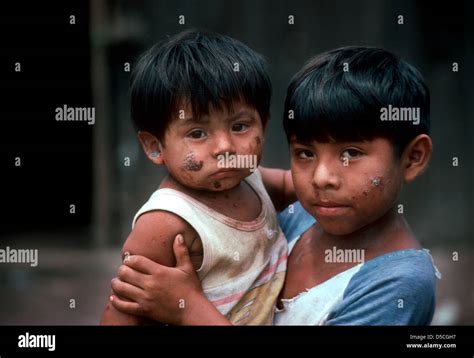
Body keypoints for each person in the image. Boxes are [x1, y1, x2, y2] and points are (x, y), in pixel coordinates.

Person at [109, 46, 441, 325]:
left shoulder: (398, 284)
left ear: (413, 157)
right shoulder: (301, 216)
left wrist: (187, 307)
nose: (321, 178)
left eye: (351, 153)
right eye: (305, 153)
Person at [100, 29, 296, 325]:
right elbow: (122, 311)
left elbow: (304, 186)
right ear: (155, 147)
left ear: (264, 125)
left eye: (240, 126)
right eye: (197, 133)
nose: (225, 147)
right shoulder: (166, 222)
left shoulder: (254, 181)